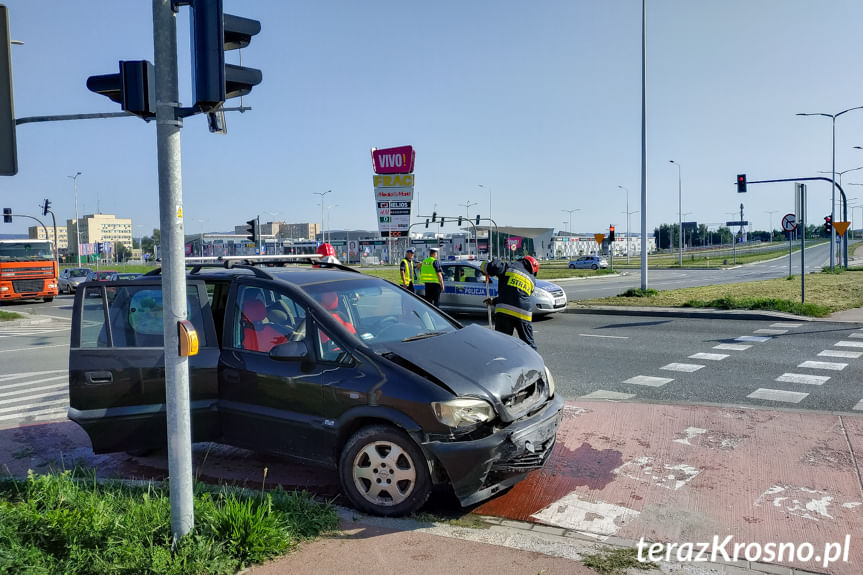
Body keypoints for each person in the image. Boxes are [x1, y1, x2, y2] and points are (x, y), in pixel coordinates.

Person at [481, 255, 539, 350]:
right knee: (529, 344)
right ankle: (535, 362)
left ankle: (503, 362)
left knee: (502, 343)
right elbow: (516, 296)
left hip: (505, 312)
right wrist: (494, 301)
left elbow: (495, 267)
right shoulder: (532, 279)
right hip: (524, 314)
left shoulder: (510, 266)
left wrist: (484, 267)